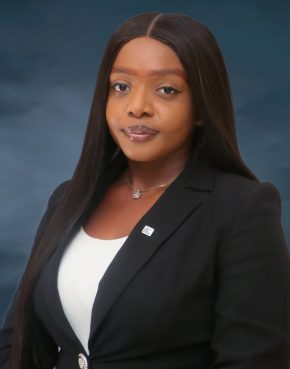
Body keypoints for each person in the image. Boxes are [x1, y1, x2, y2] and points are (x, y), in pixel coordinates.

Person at [0, 12, 289, 369]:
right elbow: (18, 341)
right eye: (121, 86)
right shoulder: (69, 198)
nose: (137, 107)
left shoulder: (240, 207)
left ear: (200, 107)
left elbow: (254, 360)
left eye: (166, 90)